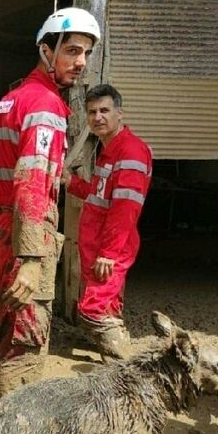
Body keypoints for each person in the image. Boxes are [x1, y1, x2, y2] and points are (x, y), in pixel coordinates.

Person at [0, 8, 101, 404]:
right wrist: (31, 258)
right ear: (46, 51)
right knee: (26, 338)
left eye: (85, 53)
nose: (81, 62)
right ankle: (10, 433)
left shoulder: (6, 103)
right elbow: (33, 185)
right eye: (71, 51)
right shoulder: (46, 108)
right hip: (24, 235)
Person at [66, 84, 152, 362]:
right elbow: (99, 194)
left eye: (105, 110)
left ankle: (122, 366)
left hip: (110, 248)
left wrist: (109, 254)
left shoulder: (130, 151)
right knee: (108, 304)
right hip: (98, 247)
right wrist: (72, 183)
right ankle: (112, 362)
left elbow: (125, 208)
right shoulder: (111, 150)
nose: (97, 117)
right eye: (92, 112)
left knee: (93, 307)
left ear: (120, 113)